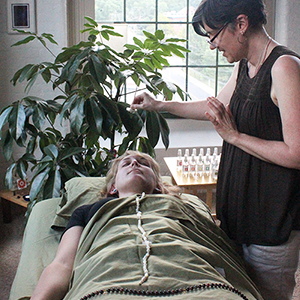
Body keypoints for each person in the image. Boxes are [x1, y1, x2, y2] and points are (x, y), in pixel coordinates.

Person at [131, 1, 300, 299]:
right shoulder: (245, 65)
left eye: (214, 35)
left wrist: (234, 137)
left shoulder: (285, 67)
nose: (211, 46)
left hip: (272, 221)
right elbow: (215, 108)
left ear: (242, 24)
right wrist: (159, 105)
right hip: (238, 214)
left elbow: (296, 152)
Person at [30, 150, 263, 300]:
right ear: (112, 187)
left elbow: (214, 247)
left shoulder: (184, 207)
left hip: (193, 277)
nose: (134, 164)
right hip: (109, 280)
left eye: (144, 164)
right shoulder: (88, 211)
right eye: (126, 163)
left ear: (158, 185)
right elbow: (62, 264)